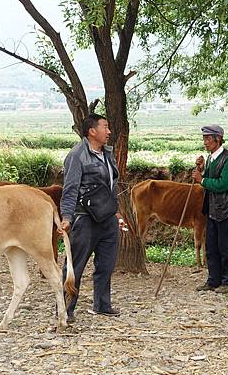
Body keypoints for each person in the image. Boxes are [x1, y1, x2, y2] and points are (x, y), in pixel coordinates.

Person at [60, 113, 127, 322]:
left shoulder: (108, 153)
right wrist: (67, 217)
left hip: (107, 218)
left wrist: (116, 212)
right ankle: (65, 309)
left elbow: (110, 186)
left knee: (106, 264)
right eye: (105, 127)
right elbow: (70, 189)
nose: (109, 131)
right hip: (84, 218)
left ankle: (102, 305)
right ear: (92, 131)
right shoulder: (77, 155)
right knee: (76, 265)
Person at [191, 124, 228, 294]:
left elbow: (223, 184)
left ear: (218, 139)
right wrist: (203, 171)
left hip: (224, 209)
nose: (205, 142)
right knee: (211, 246)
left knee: (225, 246)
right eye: (204, 138)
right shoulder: (211, 157)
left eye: (208, 138)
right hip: (211, 209)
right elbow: (211, 179)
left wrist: (201, 180)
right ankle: (213, 280)